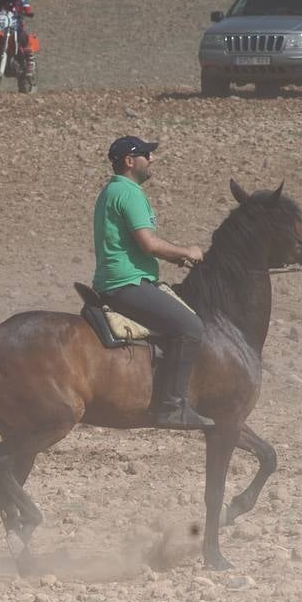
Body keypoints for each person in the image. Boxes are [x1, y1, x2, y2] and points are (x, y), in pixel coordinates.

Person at [92, 136, 212, 431]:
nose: (152, 159)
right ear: (130, 161)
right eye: (146, 154)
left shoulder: (113, 191)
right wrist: (187, 252)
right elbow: (148, 243)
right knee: (191, 327)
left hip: (120, 279)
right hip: (127, 284)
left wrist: (172, 259)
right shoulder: (129, 193)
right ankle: (172, 407)